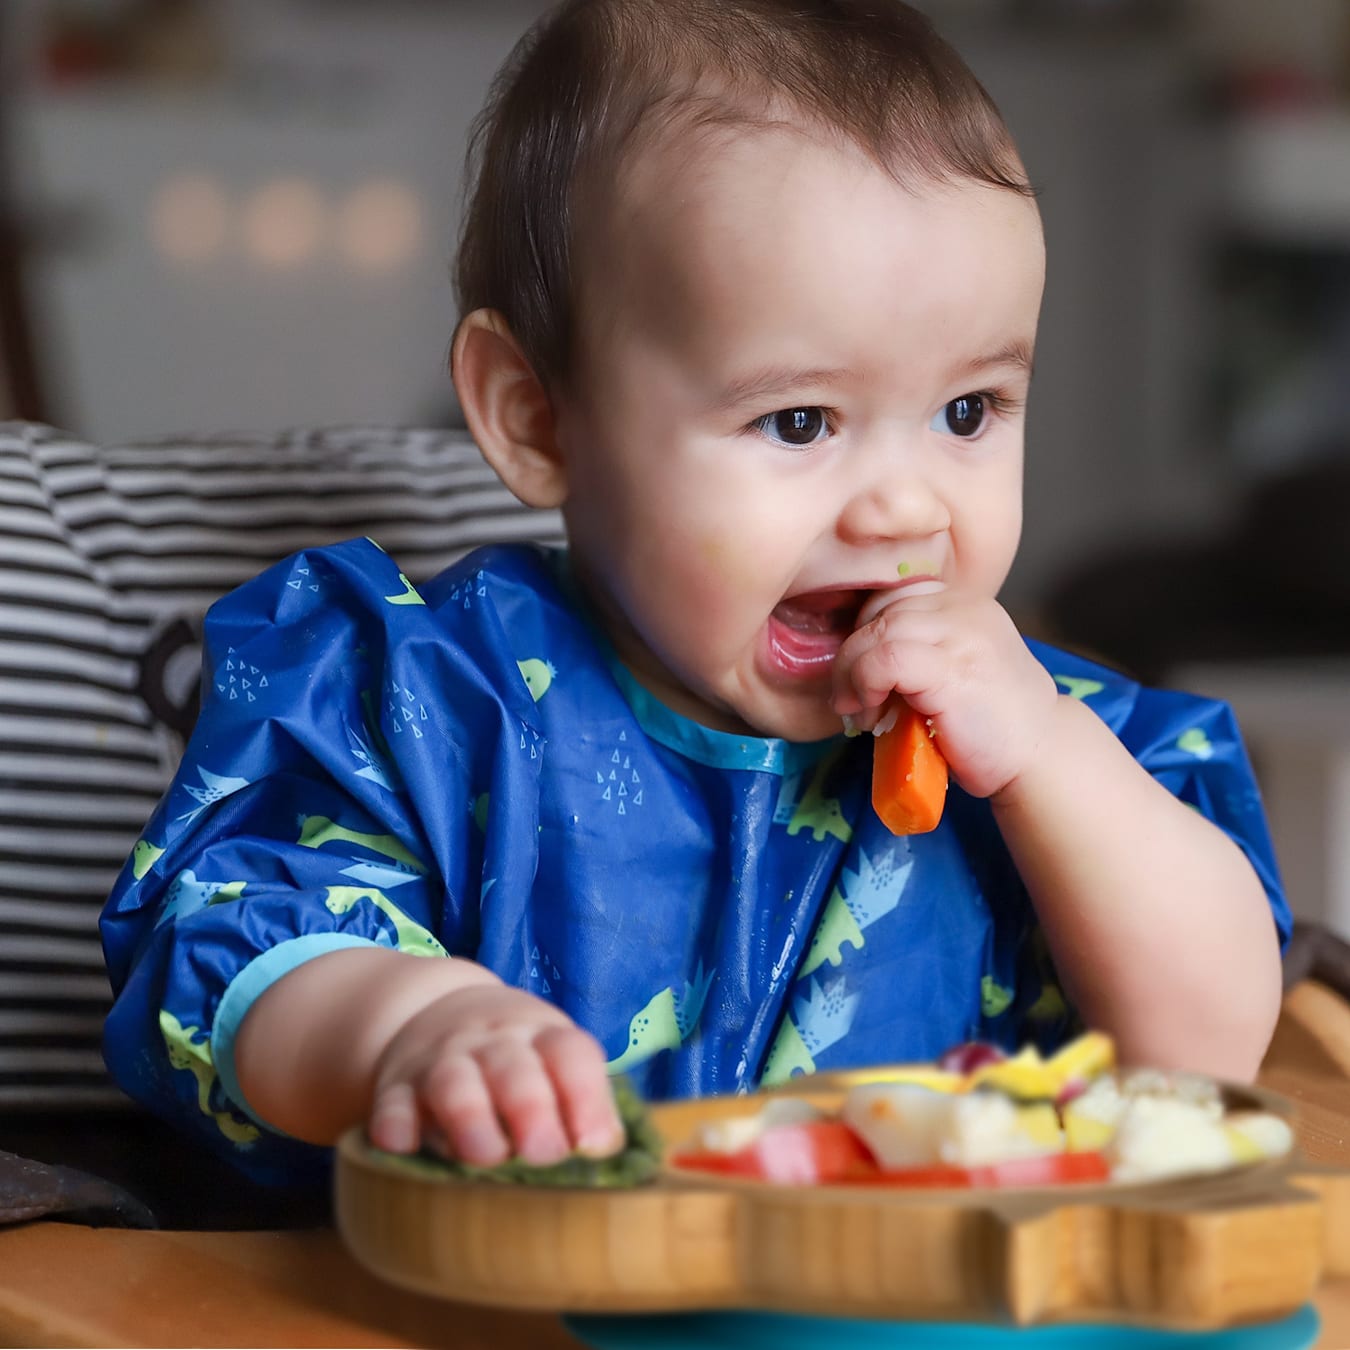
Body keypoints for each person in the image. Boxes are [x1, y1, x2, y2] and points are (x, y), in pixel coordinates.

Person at [101, 0, 1289, 1184]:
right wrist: (409, 1031)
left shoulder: (1055, 745)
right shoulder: (420, 701)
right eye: (798, 419)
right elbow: (233, 956)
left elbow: (1210, 1050)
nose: (906, 508)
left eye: (967, 412)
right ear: (537, 418)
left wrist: (1048, 761)